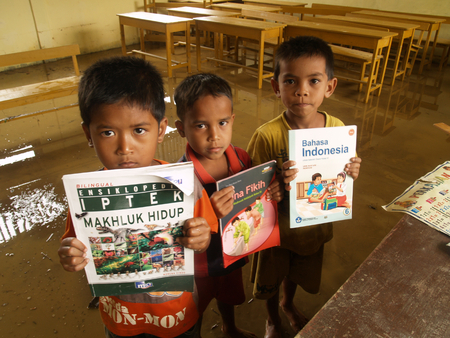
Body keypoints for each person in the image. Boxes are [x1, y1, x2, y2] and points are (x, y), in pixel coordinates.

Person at [57, 56, 218, 338]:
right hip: (121, 319)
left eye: (139, 130)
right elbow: (74, 244)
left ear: (161, 129)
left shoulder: (182, 183)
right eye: (107, 132)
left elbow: (205, 234)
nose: (124, 147)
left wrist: (201, 238)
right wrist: (71, 255)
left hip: (176, 313)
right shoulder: (86, 196)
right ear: (89, 134)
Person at [246, 36, 362, 338]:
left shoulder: (338, 131)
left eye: (313, 81)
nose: (302, 91)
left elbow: (341, 180)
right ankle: (272, 317)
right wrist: (272, 187)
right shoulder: (267, 136)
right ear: (276, 86)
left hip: (313, 228)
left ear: (330, 87)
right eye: (290, 81)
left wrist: (350, 171)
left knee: (298, 270)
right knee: (271, 275)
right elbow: (250, 191)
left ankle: (288, 302)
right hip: (276, 231)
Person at [174, 73, 282, 338]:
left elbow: (256, 199)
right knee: (193, 310)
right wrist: (209, 213)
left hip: (233, 251)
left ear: (232, 120)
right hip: (199, 265)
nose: (214, 136)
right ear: (181, 129)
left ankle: (229, 327)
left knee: (228, 295)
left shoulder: (242, 159)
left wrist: (271, 191)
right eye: (201, 125)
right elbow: (177, 229)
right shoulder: (179, 178)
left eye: (222, 123)